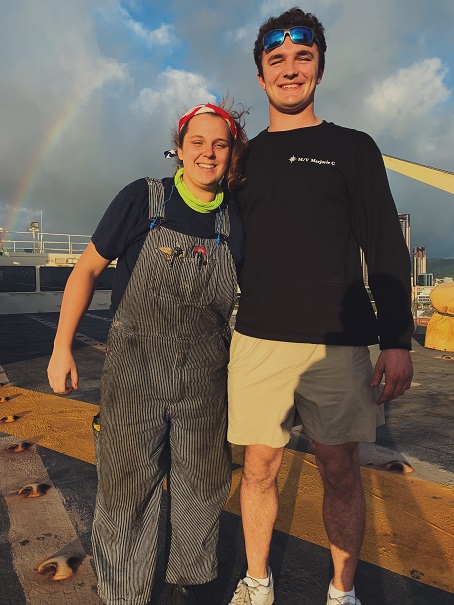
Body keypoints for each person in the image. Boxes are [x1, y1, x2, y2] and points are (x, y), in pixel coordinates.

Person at [227, 8, 414, 605]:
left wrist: (396, 341)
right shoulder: (241, 159)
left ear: (320, 68)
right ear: (261, 77)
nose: (289, 69)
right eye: (276, 60)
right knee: (257, 470)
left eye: (302, 57)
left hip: (337, 345)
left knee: (339, 471)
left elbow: (384, 245)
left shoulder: (353, 148)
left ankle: (342, 592)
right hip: (257, 340)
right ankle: (257, 582)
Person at [47, 101, 247, 605]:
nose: (208, 153)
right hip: (134, 376)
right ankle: (125, 596)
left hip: (205, 382)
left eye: (219, 144)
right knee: (126, 494)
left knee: (202, 491)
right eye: (197, 142)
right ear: (179, 149)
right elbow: (86, 271)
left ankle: (191, 588)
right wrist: (61, 348)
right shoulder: (144, 200)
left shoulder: (236, 219)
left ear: (231, 154)